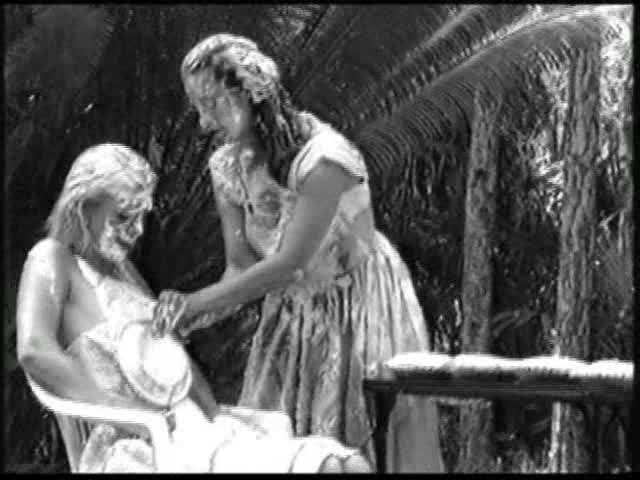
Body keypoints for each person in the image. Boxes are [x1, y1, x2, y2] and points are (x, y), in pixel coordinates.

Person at [152, 33, 444, 472]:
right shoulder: (227, 168)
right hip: (292, 312)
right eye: (198, 106)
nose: (205, 122)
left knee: (360, 441)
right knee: (282, 443)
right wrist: (187, 314)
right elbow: (241, 268)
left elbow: (290, 264)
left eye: (212, 103)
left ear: (251, 91)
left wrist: (196, 304)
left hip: (357, 306)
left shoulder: (325, 160)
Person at [16, 143, 371, 473]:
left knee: (350, 465)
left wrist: (214, 419)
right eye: (123, 217)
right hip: (137, 442)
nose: (136, 231)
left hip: (189, 429)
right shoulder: (53, 259)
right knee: (329, 467)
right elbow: (34, 351)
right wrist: (123, 412)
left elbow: (174, 361)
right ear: (83, 208)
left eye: (141, 218)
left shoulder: (124, 272)